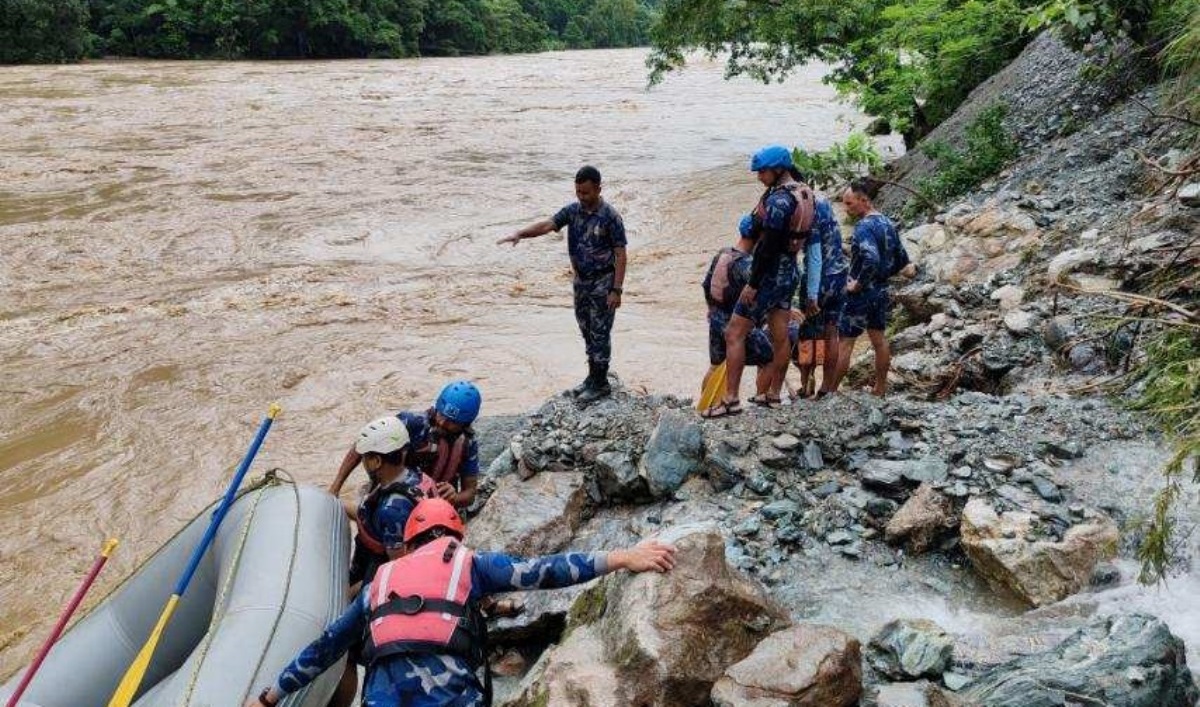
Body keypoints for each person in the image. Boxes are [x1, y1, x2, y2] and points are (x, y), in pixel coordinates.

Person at [246, 499, 677, 707]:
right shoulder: (469, 564)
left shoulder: (380, 579)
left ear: (409, 541)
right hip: (448, 692)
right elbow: (546, 571)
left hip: (383, 693)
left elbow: (326, 646)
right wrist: (622, 556)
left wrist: (269, 697)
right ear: (453, 536)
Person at [702, 145, 821, 417]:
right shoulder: (804, 192)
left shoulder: (779, 200)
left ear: (778, 169)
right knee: (780, 336)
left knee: (734, 333)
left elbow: (767, 246)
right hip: (790, 269)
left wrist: (753, 284)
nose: (759, 177)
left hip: (770, 272)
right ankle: (773, 395)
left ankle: (730, 399)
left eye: (762, 172)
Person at [498, 166, 627, 404]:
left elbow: (621, 255)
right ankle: (591, 378)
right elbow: (547, 225)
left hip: (603, 282)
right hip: (581, 282)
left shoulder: (610, 217)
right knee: (586, 329)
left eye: (586, 192)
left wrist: (616, 290)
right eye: (578, 192)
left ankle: (601, 383)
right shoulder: (573, 211)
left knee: (600, 332)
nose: (582, 197)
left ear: (599, 188)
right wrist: (520, 233)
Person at [335, 415, 437, 707]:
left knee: (348, 653)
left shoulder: (393, 507)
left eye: (366, 457)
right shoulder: (417, 478)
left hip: (388, 575)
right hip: (400, 562)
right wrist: (337, 504)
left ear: (376, 462)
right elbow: (369, 516)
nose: (363, 462)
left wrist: (354, 595)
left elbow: (397, 568)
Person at [329, 381, 483, 509]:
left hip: (435, 506)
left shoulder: (468, 445)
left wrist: (455, 497)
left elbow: (470, 492)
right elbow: (363, 444)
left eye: (451, 422)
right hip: (395, 494)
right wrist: (335, 488)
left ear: (465, 424)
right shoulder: (412, 423)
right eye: (441, 415)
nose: (442, 423)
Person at [831, 179, 916, 397]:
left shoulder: (863, 227)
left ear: (864, 200)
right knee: (879, 341)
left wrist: (857, 283)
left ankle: (831, 391)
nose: (846, 209)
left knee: (845, 344)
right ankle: (880, 388)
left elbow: (871, 258)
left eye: (849, 204)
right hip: (881, 291)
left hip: (861, 295)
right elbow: (902, 260)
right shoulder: (887, 223)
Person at [702, 214, 776, 392]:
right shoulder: (747, 265)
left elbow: (706, 285)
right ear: (759, 237)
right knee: (769, 358)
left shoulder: (722, 254)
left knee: (715, 365)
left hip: (716, 318)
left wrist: (711, 309)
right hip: (736, 323)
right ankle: (760, 400)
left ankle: (703, 405)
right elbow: (763, 294)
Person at [810, 192, 849, 398]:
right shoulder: (823, 201)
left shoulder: (806, 206)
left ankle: (807, 384)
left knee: (806, 334)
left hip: (821, 277)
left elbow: (814, 255)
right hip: (839, 273)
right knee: (831, 333)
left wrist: (810, 293)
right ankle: (827, 386)